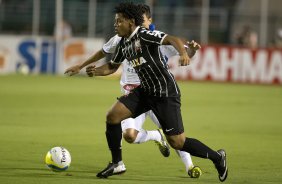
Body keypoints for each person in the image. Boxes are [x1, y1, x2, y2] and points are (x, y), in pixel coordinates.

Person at [86, 2, 228, 182]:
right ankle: (117, 163)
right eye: (115, 21)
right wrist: (96, 71)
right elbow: (112, 66)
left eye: (119, 21)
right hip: (144, 91)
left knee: (177, 142)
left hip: (165, 94)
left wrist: (184, 54)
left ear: (130, 22)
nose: (116, 25)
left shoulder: (144, 35)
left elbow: (172, 39)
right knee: (112, 116)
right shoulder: (123, 43)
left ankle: (218, 157)